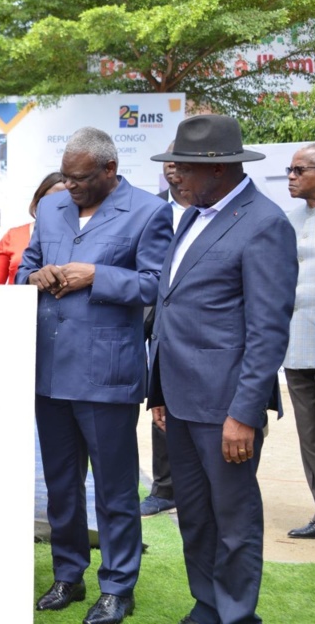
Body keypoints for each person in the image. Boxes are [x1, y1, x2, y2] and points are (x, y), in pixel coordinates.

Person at [16, 127, 172, 624]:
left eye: (81, 178)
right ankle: (68, 576)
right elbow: (26, 269)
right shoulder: (53, 207)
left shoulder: (149, 210)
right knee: (61, 484)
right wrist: (34, 277)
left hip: (107, 372)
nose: (71, 185)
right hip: (49, 369)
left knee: (114, 487)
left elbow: (156, 285)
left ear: (109, 171)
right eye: (65, 176)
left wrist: (96, 276)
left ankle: (118, 585)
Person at [147, 114, 298, 624]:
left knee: (233, 520)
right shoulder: (193, 216)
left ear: (217, 170)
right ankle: (207, 604)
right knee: (194, 515)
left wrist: (245, 414)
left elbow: (267, 330)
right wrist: (160, 391)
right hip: (182, 401)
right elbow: (170, 310)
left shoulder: (264, 224)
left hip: (226, 408)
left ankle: (236, 615)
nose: (174, 177)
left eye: (182, 168)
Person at [281, 142, 315, 540]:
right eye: (289, 170)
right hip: (296, 346)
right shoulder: (289, 220)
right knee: (311, 437)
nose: (291, 177)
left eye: (300, 170)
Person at [140, 142, 190, 518]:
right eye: (168, 164)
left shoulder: (222, 212)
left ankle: (198, 486)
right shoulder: (154, 208)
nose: (172, 170)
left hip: (198, 321)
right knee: (160, 399)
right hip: (153, 317)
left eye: (179, 163)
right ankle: (163, 487)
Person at [0, 172, 66, 285]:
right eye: (50, 200)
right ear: (38, 202)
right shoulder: (13, 236)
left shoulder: (80, 239)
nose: (57, 206)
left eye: (64, 201)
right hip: (18, 302)